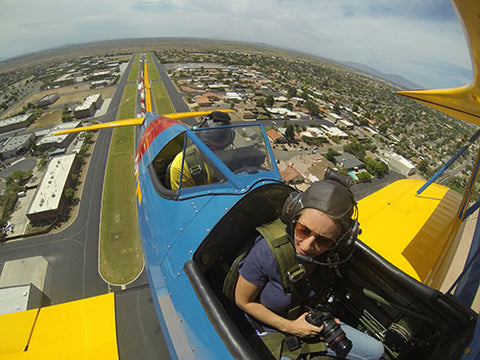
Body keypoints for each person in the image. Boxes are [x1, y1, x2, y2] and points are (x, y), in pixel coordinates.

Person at [234, 170, 384, 360]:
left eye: (323, 240)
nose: (307, 245)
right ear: (292, 217)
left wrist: (320, 316)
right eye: (303, 230)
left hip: (306, 321)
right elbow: (243, 301)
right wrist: (292, 327)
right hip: (270, 330)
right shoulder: (267, 251)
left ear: (337, 241)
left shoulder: (329, 256)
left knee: (375, 351)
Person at [169, 111, 234, 190]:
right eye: (210, 147)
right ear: (199, 142)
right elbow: (187, 202)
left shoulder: (230, 157)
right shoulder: (182, 167)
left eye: (221, 148)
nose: (216, 153)